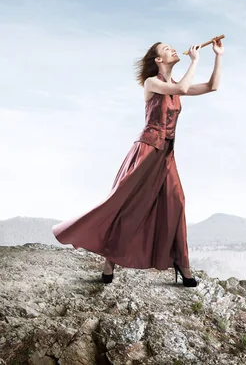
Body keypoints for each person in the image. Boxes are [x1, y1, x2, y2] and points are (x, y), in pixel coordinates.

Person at [52, 38, 224, 287]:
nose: (173, 49)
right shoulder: (152, 82)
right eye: (167, 49)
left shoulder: (175, 83)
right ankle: (109, 261)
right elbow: (183, 89)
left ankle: (181, 263)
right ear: (158, 60)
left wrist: (217, 55)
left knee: (176, 202)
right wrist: (195, 61)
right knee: (128, 205)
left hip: (166, 154)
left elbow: (212, 86)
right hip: (147, 150)